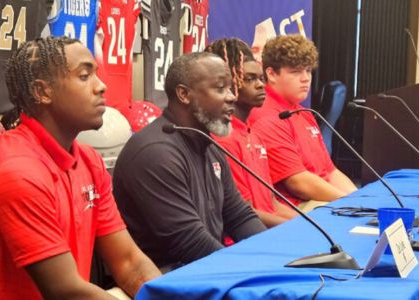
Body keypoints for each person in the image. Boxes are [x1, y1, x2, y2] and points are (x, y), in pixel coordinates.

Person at [0, 36, 161, 300]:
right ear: (42, 92)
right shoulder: (16, 171)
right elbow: (64, 291)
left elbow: (130, 263)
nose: (101, 87)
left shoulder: (89, 160)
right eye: (84, 76)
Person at [113, 52, 266, 271]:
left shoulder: (208, 145)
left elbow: (239, 216)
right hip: (171, 279)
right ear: (184, 94)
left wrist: (274, 258)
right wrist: (249, 271)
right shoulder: (155, 153)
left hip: (206, 269)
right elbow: (189, 244)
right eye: (220, 88)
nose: (232, 96)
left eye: (230, 88)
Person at [249, 34, 357, 208]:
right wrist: (350, 203)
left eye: (308, 70)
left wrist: (360, 200)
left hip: (321, 199)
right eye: (296, 72)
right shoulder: (266, 115)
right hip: (296, 206)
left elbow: (330, 171)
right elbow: (298, 183)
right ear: (271, 74)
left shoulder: (303, 112)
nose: (306, 78)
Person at [206, 38, 297, 227]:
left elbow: (272, 203)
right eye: (249, 79)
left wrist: (309, 224)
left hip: (272, 229)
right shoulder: (224, 139)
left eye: (260, 78)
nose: (260, 85)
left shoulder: (254, 135)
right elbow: (244, 214)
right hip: (250, 237)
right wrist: (296, 230)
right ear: (227, 83)